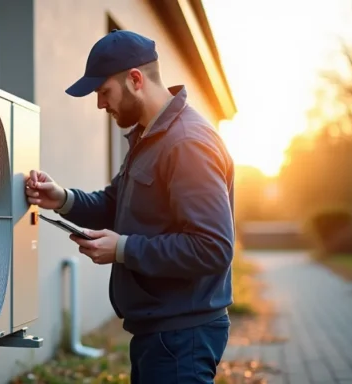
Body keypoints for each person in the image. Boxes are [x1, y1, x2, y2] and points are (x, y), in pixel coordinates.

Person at [25, 29, 236, 383]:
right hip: (160, 334)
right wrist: (62, 199)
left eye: (103, 92)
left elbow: (212, 248)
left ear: (135, 80)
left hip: (182, 338)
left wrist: (122, 248)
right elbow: (116, 202)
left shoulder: (186, 143)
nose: (99, 104)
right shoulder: (150, 135)